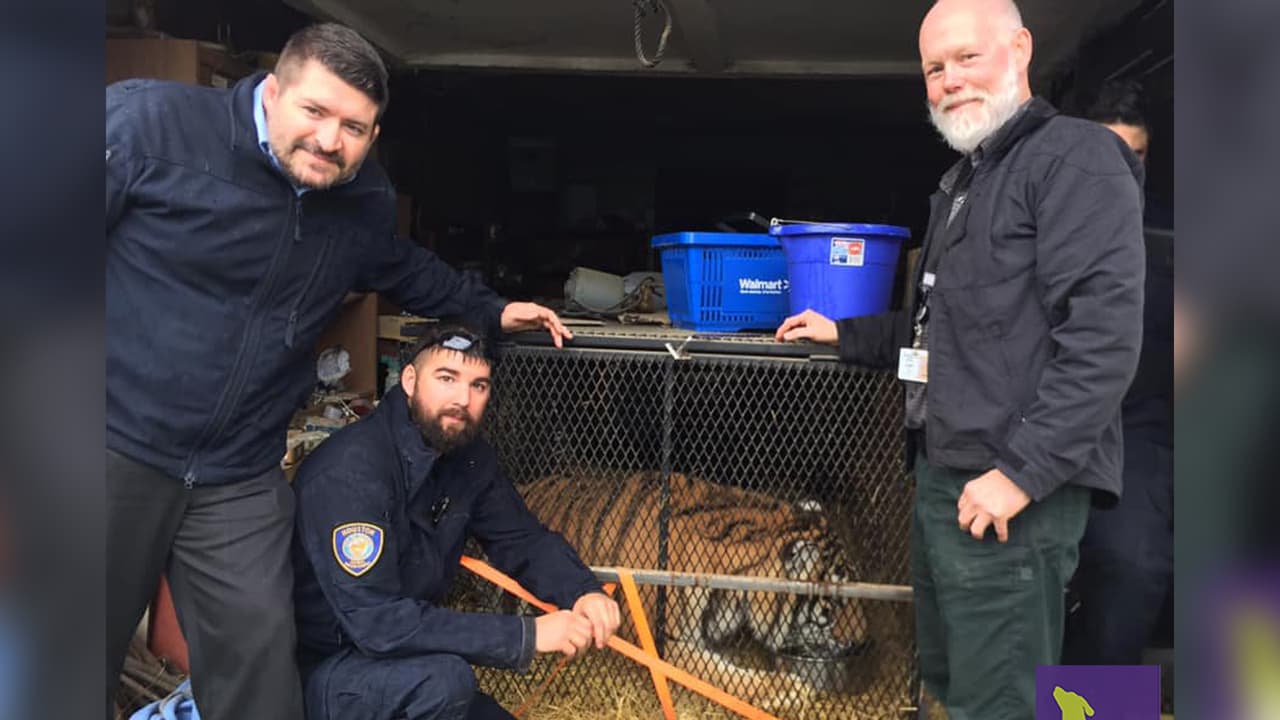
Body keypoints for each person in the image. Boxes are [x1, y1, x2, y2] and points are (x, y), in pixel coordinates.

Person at [106, 23, 572, 720]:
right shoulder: (150, 127)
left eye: (354, 127)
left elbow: (402, 267)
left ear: (374, 133)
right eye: (314, 112)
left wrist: (494, 310)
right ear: (272, 91)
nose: (330, 140)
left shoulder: (361, 200)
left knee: (259, 669)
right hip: (110, 444)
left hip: (237, 471)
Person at [774, 0, 1145, 717]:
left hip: (1011, 493)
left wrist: (1019, 475)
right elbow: (947, 329)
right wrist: (846, 334)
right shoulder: (967, 182)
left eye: (966, 58)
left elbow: (1102, 338)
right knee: (948, 681)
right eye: (934, 68)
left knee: (996, 697)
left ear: (1021, 48)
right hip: (949, 477)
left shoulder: (1074, 158)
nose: (949, 80)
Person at [291, 326, 620, 719]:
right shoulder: (352, 472)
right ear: (410, 380)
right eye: (446, 378)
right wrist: (527, 635)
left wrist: (583, 591)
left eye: (478, 385)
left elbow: (521, 538)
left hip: (403, 665)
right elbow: (377, 623)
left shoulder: (466, 458)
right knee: (446, 682)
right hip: (333, 671)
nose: (462, 399)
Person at [1063, 79, 1174, 665]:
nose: (1123, 173)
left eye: (1136, 157)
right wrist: (855, 332)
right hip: (1044, 432)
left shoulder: (1169, 240)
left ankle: (1099, 706)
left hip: (1135, 433)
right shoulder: (1037, 222)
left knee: (1132, 568)